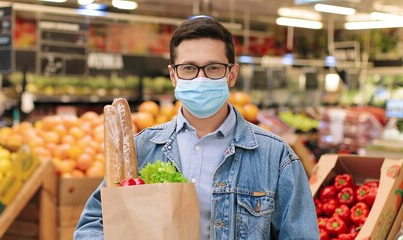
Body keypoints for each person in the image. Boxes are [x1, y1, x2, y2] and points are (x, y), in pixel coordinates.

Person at [75, 17, 319, 239]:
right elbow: (91, 226)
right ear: (173, 76)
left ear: (232, 74)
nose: (200, 79)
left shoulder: (275, 157)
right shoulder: (143, 148)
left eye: (213, 68)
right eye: (189, 68)